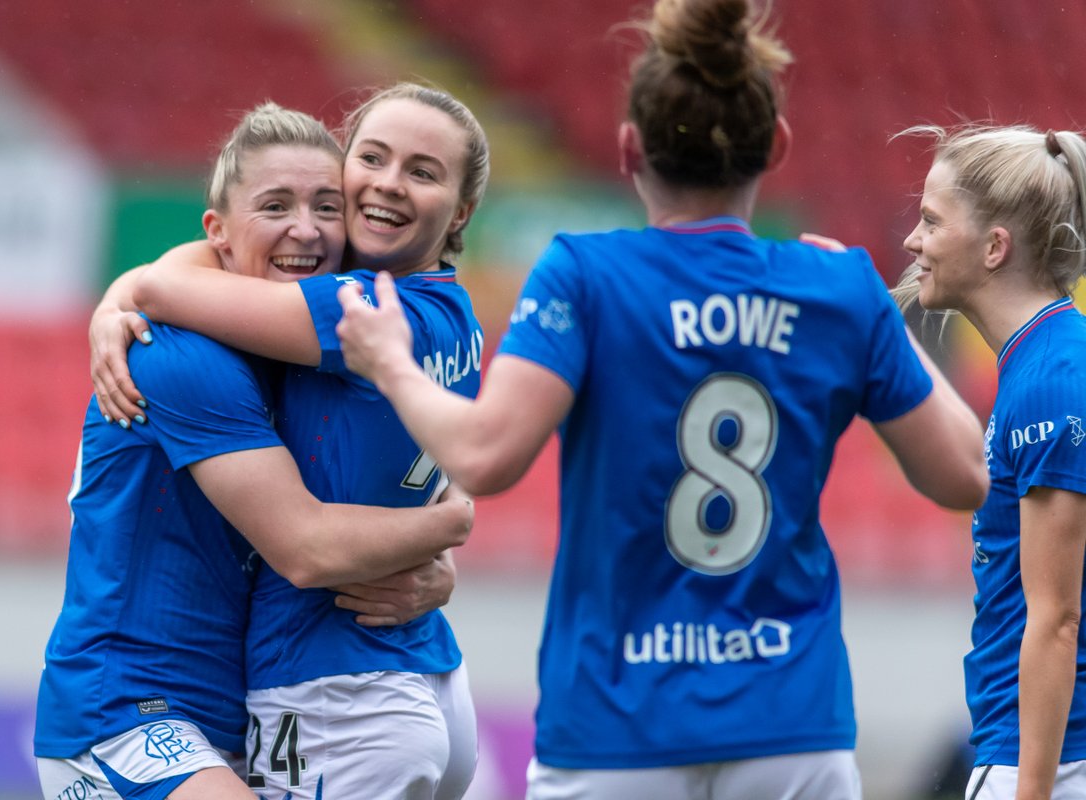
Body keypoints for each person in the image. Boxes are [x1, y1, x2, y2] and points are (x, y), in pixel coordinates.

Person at [332, 1, 990, 797]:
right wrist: (883, 316)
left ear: (629, 148)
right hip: (790, 726)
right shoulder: (842, 289)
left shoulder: (587, 274)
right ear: (776, 146)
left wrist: (392, 361)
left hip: (616, 724)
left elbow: (482, 456)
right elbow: (964, 476)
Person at [35, 104, 472, 800]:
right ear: (218, 233)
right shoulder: (179, 353)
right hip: (126, 710)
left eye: (326, 206)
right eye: (276, 206)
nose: (306, 229)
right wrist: (449, 526)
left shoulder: (298, 346)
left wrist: (436, 566)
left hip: (240, 716)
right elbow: (306, 547)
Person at [894, 124, 1086, 800]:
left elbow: (1056, 619)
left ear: (995, 246)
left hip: (1047, 764)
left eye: (931, 220)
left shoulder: (1051, 380)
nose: (913, 242)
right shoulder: (1049, 360)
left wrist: (1030, 788)